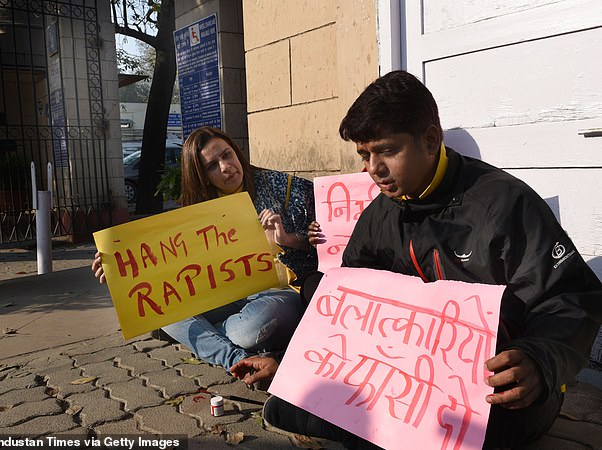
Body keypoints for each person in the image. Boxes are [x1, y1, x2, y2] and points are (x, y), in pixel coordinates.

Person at [230, 71, 602, 449]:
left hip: (498, 390)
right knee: (294, 402)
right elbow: (347, 314)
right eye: (364, 155)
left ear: (430, 139)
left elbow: (571, 297)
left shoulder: (505, 204)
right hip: (412, 384)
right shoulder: (379, 215)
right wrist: (287, 360)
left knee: (481, 431)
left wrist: (539, 361)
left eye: (387, 151)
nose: (372, 168)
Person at [92, 126, 318, 372]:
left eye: (227, 155)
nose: (225, 167)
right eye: (212, 166)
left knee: (248, 329)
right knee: (160, 310)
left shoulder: (280, 186)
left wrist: (287, 239)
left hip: (280, 296)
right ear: (202, 176)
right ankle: (236, 359)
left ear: (236, 152)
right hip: (229, 296)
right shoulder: (198, 214)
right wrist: (119, 269)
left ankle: (213, 336)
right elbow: (165, 267)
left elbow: (328, 241)